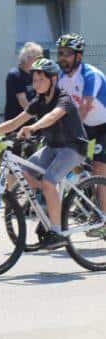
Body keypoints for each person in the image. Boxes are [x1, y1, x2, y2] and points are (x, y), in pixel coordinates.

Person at [0, 58, 88, 250]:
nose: (36, 84)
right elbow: (15, 122)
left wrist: (34, 127)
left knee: (49, 181)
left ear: (53, 79)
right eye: (34, 80)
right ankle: (49, 201)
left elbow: (52, 116)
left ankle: (57, 231)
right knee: (22, 172)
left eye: (41, 79)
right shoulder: (39, 101)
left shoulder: (64, 99)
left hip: (72, 147)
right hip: (52, 147)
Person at [56, 33, 106, 212]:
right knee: (67, 155)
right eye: (60, 53)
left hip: (104, 124)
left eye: (68, 53)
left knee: (99, 168)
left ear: (79, 56)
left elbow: (85, 107)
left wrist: (69, 133)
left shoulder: (90, 75)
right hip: (88, 124)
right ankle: (86, 190)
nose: (63, 58)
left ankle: (103, 216)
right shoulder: (60, 77)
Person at [5, 42, 43, 120]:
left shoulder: (33, 74)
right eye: (37, 58)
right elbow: (23, 101)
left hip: (30, 118)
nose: (40, 61)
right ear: (27, 58)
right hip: (16, 120)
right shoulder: (15, 75)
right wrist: (36, 117)